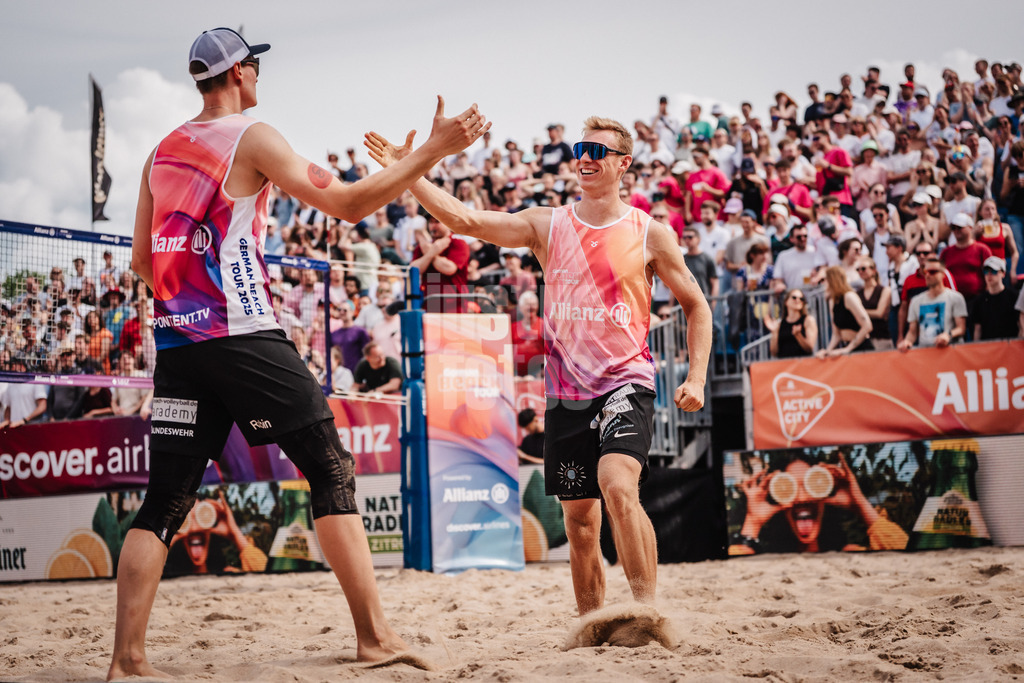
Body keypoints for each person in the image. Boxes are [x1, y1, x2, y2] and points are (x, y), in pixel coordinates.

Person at [108, 27, 487, 680]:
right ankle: (373, 638)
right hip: (243, 335)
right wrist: (432, 150)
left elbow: (144, 260)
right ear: (237, 74)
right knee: (330, 467)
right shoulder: (252, 137)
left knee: (164, 500)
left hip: (177, 342)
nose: (259, 75)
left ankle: (126, 661)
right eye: (254, 65)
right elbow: (347, 204)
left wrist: (191, 306)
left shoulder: (160, 151)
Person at [365, 116, 712, 618]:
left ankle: (646, 614)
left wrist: (697, 375)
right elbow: (464, 220)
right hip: (567, 391)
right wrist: (409, 169)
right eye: (580, 148)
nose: (586, 156)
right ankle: (593, 623)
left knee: (617, 484)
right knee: (580, 525)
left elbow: (696, 305)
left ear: (623, 164)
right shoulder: (548, 224)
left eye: (598, 149)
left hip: (625, 381)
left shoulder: (648, 233)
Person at [733, 452, 908, 554]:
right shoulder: (767, 558)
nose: (801, 498)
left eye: (810, 485)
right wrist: (753, 521)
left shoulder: (848, 553)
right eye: (790, 487)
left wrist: (860, 504)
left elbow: (903, 550)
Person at [899, 258, 967, 350]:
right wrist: (907, 342)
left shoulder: (956, 298)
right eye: (925, 271)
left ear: (943, 274)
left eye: (932, 272)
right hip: (925, 355)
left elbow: (961, 328)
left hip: (949, 353)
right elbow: (912, 332)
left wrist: (948, 335)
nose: (927, 275)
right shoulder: (916, 301)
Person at [817, 265, 873, 357]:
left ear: (832, 280)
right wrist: (827, 351)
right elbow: (836, 334)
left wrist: (848, 349)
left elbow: (867, 326)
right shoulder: (833, 301)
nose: (822, 284)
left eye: (824, 280)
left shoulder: (849, 297)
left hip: (861, 348)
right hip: (845, 347)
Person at [969, 257, 1019, 340]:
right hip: (988, 348)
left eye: (994, 271)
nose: (989, 275)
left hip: (1010, 347)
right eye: (986, 271)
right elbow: (978, 329)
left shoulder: (1014, 296)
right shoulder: (979, 301)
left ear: (1003, 273)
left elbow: (1020, 325)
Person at [764, 289, 817, 359]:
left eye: (801, 299)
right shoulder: (780, 324)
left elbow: (809, 348)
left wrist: (798, 335)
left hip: (803, 364)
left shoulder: (808, 320)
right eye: (794, 297)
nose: (798, 300)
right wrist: (775, 332)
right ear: (786, 302)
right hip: (785, 365)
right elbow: (774, 352)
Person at [855, 257, 892, 350]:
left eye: (863, 268)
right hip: (865, 340)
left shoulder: (884, 290)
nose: (860, 271)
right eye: (858, 269)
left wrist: (859, 312)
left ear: (873, 270)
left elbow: (879, 313)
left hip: (882, 338)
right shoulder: (857, 293)